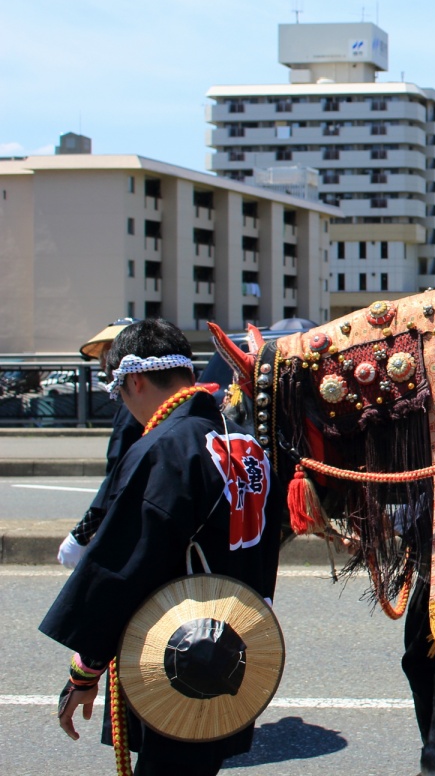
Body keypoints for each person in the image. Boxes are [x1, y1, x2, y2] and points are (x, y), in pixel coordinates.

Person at [40, 319, 284, 775]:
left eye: (118, 392)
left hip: (177, 648)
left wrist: (86, 669)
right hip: (233, 645)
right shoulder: (248, 444)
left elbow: (128, 564)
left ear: (133, 380)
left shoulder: (166, 448)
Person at [57, 318, 144, 568]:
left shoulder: (132, 411)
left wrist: (82, 533)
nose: (103, 364)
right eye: (103, 356)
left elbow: (118, 475)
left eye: (109, 354)